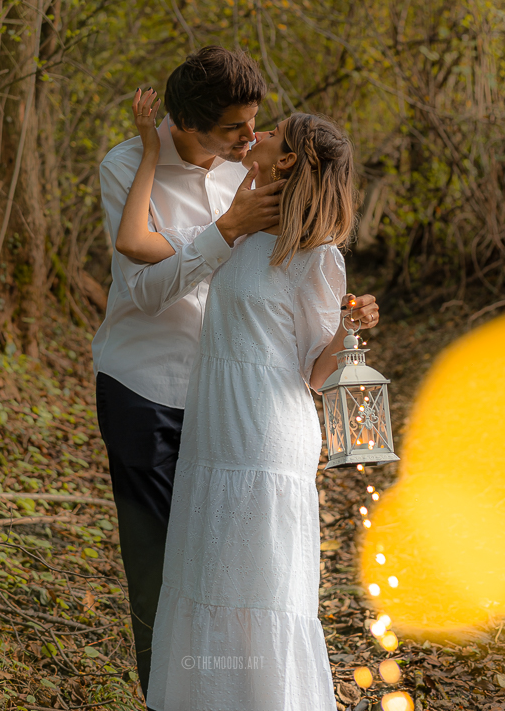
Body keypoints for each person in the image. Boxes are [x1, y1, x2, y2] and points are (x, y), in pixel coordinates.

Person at [93, 46, 379, 699]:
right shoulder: (150, 177)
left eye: (262, 129)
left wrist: (349, 324)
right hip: (166, 398)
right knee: (185, 579)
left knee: (251, 586)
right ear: (189, 124)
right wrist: (156, 158)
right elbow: (142, 267)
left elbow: (312, 365)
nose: (250, 136)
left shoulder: (270, 211)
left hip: (247, 422)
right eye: (238, 128)